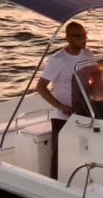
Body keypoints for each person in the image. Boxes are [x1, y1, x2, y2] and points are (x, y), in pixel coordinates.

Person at [36, 22, 94, 180]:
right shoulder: (58, 60)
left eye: (84, 35)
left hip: (84, 112)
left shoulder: (88, 54)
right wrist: (60, 106)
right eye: (78, 37)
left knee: (85, 152)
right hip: (63, 116)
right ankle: (55, 186)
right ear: (68, 38)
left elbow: (96, 76)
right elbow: (40, 87)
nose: (83, 40)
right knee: (60, 156)